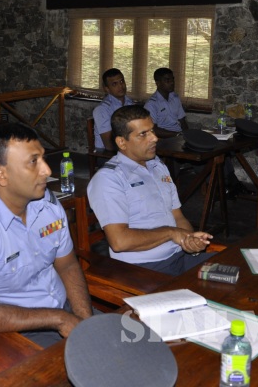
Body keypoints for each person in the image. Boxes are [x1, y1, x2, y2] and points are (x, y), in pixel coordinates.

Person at [0, 123, 93, 348]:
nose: (47, 170)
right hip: (16, 331)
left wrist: (85, 321)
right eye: (33, 162)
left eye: (42, 158)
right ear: (1, 174)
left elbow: (68, 265)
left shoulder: (47, 204)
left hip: (66, 310)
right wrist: (60, 320)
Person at [86, 105, 214, 276]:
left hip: (179, 256)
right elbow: (119, 241)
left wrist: (190, 240)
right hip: (145, 269)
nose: (154, 138)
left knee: (237, 269)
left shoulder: (157, 166)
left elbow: (177, 216)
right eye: (143, 134)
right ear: (122, 142)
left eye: (152, 130)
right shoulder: (109, 179)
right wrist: (171, 233)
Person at [92, 68, 134, 151]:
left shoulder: (130, 103)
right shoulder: (102, 109)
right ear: (107, 89)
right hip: (106, 153)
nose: (121, 86)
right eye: (114, 84)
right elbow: (109, 145)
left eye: (122, 81)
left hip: (127, 148)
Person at [144, 68, 188, 138]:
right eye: (167, 80)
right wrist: (177, 134)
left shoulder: (175, 98)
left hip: (179, 136)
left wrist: (187, 136)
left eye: (172, 79)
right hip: (164, 138)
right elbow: (153, 129)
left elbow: (182, 121)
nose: (172, 83)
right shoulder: (151, 104)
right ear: (158, 83)